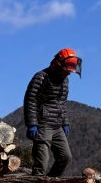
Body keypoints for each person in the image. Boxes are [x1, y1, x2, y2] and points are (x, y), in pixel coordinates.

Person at [24, 48, 81, 176]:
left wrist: (65, 122)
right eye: (67, 68)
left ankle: (52, 182)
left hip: (57, 126)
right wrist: (32, 124)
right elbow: (30, 100)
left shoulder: (65, 80)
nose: (69, 73)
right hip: (43, 125)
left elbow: (62, 103)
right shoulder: (41, 77)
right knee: (41, 164)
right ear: (58, 63)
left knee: (65, 157)